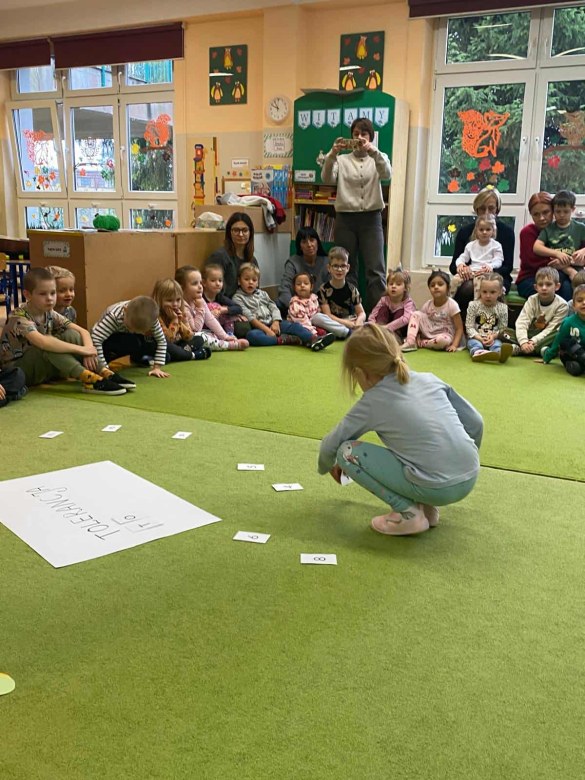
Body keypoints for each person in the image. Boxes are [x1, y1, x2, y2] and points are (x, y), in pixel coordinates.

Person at [318, 324, 483, 536]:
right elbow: (476, 422)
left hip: (435, 485)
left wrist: (329, 465)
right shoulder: (429, 379)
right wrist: (461, 460)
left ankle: (410, 515)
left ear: (360, 373)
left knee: (346, 453)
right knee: (415, 452)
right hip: (470, 475)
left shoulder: (373, 400)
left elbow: (331, 444)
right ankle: (427, 507)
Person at [1, 267, 129, 395]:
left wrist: (89, 350)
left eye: (53, 293)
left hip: (43, 368)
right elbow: (43, 342)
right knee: (50, 345)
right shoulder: (19, 316)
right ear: (28, 295)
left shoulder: (49, 312)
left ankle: (104, 372)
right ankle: (89, 379)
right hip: (19, 372)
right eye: (43, 294)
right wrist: (80, 350)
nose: (50, 298)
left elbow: (82, 331)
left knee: (70, 334)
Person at [321, 118, 392, 312]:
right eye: (356, 135)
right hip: (345, 219)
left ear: (371, 137)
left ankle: (378, 316)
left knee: (375, 270)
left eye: (364, 134)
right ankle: (348, 313)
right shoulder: (342, 160)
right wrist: (332, 154)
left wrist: (373, 150)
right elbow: (327, 178)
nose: (359, 138)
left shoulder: (378, 157)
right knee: (344, 268)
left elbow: (386, 174)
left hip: (372, 219)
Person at [233, 263, 334, 350]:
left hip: (274, 323)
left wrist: (276, 322)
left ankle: (312, 339)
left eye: (254, 280)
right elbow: (250, 318)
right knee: (252, 336)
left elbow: (273, 307)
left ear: (258, 282)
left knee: (295, 326)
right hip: (259, 327)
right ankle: (284, 340)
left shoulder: (262, 294)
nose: (250, 282)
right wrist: (267, 330)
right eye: (246, 279)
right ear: (239, 281)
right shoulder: (238, 298)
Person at [450, 188, 515, 320]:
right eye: (482, 209)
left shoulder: (506, 232)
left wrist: (489, 271)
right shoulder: (465, 232)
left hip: (497, 275)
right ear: (476, 209)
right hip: (470, 275)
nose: (486, 213)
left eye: (491, 208)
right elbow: (454, 265)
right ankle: (460, 326)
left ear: (497, 210)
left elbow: (507, 266)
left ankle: (483, 325)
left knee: (480, 287)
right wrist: (463, 269)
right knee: (465, 286)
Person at [91, 296, 170, 379]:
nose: (132, 331)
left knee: (166, 357)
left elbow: (161, 340)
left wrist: (157, 368)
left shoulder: (150, 318)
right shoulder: (113, 317)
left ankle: (138, 358)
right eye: (129, 327)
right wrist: (104, 369)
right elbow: (96, 339)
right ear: (125, 311)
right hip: (108, 339)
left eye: (136, 330)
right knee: (133, 342)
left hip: (129, 337)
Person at [515, 192, 573, 300]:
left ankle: (567, 317)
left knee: (567, 287)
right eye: (536, 214)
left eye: (546, 212)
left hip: (560, 277)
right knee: (553, 290)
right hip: (531, 278)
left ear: (553, 211)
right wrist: (566, 266)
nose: (541, 218)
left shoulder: (563, 229)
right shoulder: (527, 232)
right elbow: (533, 262)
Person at [175, 266, 248, 351]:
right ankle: (229, 345)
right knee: (201, 337)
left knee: (212, 334)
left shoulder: (200, 300)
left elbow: (210, 320)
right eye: (195, 283)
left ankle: (223, 341)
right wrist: (200, 308)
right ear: (181, 287)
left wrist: (225, 336)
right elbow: (195, 330)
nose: (200, 287)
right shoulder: (182, 305)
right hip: (185, 338)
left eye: (200, 283)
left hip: (197, 334)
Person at [501, 267, 568, 356]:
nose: (544, 288)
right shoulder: (532, 300)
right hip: (528, 335)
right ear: (535, 287)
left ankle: (520, 349)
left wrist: (533, 341)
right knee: (503, 332)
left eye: (548, 284)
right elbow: (522, 322)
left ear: (557, 286)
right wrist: (523, 341)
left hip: (545, 338)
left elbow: (551, 328)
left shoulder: (562, 305)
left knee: (558, 334)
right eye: (540, 285)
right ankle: (537, 350)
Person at [533, 189, 585, 291]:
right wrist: (557, 254)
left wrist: (583, 250)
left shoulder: (580, 228)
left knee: (579, 285)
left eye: (566, 211)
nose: (561, 215)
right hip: (555, 269)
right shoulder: (549, 229)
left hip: (575, 267)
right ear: (553, 210)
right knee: (562, 287)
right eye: (558, 211)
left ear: (573, 209)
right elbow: (537, 247)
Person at [402, 270, 463, 352]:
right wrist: (418, 335)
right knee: (416, 314)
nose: (436, 287)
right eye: (432, 285)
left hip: (444, 335)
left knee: (443, 340)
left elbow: (459, 328)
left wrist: (454, 345)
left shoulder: (452, 305)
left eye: (440, 284)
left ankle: (424, 343)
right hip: (429, 331)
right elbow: (420, 321)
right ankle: (411, 341)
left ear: (448, 288)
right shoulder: (428, 304)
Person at [151, 278, 211, 362]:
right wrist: (175, 321)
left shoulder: (178, 313)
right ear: (159, 300)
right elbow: (167, 340)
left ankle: (180, 353)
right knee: (167, 354)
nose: (175, 304)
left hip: (175, 345)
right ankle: (191, 355)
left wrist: (183, 321)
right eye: (169, 300)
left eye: (178, 300)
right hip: (160, 346)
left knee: (199, 339)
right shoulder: (157, 317)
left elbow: (189, 336)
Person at [315, 246, 366, 339]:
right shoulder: (323, 289)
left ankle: (350, 332)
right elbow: (328, 315)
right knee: (316, 318)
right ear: (329, 268)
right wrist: (346, 323)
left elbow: (362, 313)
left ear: (348, 268)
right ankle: (348, 333)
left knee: (369, 324)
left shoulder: (352, 289)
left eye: (343, 266)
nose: (339, 270)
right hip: (335, 324)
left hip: (351, 322)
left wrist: (358, 322)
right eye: (335, 266)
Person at [276, 227, 329, 315]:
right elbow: (284, 288)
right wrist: (296, 308)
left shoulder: (327, 262)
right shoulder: (293, 262)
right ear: (300, 246)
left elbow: (332, 290)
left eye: (312, 240)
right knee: (273, 306)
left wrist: (315, 309)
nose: (309, 245)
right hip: (296, 306)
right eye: (304, 242)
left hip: (319, 308)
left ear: (318, 242)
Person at [205, 212, 258, 299]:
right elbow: (214, 292)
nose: (241, 234)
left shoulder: (252, 260)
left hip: (248, 304)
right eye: (236, 230)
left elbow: (256, 290)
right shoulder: (220, 257)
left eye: (245, 230)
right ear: (229, 233)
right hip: (225, 306)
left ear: (250, 233)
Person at [450, 216, 503, 298]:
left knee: (478, 285)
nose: (484, 232)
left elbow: (498, 260)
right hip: (471, 271)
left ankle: (476, 307)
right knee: (455, 279)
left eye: (488, 229)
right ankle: (449, 302)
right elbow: (463, 257)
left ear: (493, 231)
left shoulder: (496, 245)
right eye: (481, 229)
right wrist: (460, 264)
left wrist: (491, 266)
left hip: (485, 273)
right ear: (476, 231)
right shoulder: (470, 245)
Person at [465, 273, 512, 363]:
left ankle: (499, 354)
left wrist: (493, 337)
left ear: (500, 292)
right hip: (476, 337)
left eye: (492, 292)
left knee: (497, 344)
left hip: (493, 338)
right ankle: (478, 353)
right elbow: (469, 327)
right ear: (480, 291)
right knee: (475, 344)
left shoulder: (502, 307)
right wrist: (479, 338)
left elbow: (503, 328)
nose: (488, 295)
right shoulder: (473, 305)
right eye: (484, 292)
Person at [540, 284, 585, 376]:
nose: (584, 303)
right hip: (572, 354)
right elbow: (558, 341)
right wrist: (547, 357)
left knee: (578, 368)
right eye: (580, 300)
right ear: (574, 305)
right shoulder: (568, 322)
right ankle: (568, 362)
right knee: (568, 342)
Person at [367, 267, 416, 343]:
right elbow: (373, 314)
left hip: (398, 330)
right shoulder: (384, 299)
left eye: (398, 284)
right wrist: (373, 325)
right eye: (391, 284)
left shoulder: (408, 302)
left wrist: (387, 327)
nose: (393, 286)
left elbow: (405, 319)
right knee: (383, 309)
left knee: (400, 312)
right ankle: (379, 334)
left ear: (405, 288)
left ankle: (394, 337)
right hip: (383, 328)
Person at [201, 263, 245, 336]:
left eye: (220, 280)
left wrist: (224, 310)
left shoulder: (220, 297)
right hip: (204, 327)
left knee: (231, 316)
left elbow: (239, 308)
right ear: (204, 283)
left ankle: (230, 334)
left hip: (218, 327)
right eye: (213, 280)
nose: (218, 283)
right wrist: (209, 314)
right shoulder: (200, 297)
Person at [287, 272, 321, 337]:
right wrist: (314, 333)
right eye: (298, 284)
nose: (302, 285)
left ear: (311, 287)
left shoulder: (314, 298)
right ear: (294, 288)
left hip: (313, 323)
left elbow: (317, 313)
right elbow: (302, 321)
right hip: (301, 326)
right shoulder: (295, 303)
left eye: (306, 283)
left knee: (321, 317)